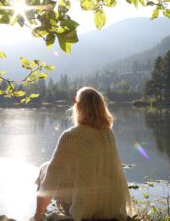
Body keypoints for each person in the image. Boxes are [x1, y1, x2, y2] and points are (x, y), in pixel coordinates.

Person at [33, 87, 132, 221]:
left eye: (75, 102)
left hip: (85, 211)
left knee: (45, 170)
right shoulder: (108, 133)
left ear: (79, 107)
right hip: (110, 208)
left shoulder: (72, 136)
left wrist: (37, 215)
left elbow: (51, 180)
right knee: (56, 168)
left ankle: (39, 216)